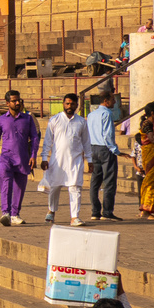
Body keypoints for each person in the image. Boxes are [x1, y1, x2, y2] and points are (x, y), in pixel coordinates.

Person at [38, 93, 92, 226]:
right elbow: (48, 141)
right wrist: (44, 157)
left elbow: (86, 142)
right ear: (63, 104)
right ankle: (51, 211)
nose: (69, 106)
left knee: (75, 187)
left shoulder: (81, 122)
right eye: (67, 103)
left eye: (72, 104)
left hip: (75, 160)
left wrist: (90, 160)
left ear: (76, 105)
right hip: (57, 160)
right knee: (54, 186)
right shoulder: (54, 120)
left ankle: (75, 217)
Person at [0, 92, 40, 226]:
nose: (17, 103)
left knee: (20, 188)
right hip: (6, 158)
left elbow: (34, 137)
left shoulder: (28, 119)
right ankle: (5, 212)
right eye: (14, 101)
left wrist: (33, 155)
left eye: (19, 100)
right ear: (7, 103)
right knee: (6, 185)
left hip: (23, 158)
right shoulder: (1, 120)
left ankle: (15, 214)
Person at [87, 93, 123, 222]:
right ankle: (107, 212)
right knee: (109, 181)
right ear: (106, 101)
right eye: (112, 100)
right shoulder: (107, 114)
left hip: (93, 148)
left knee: (95, 181)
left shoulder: (91, 115)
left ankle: (95, 211)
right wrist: (115, 150)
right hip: (105, 149)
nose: (114, 102)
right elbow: (108, 134)